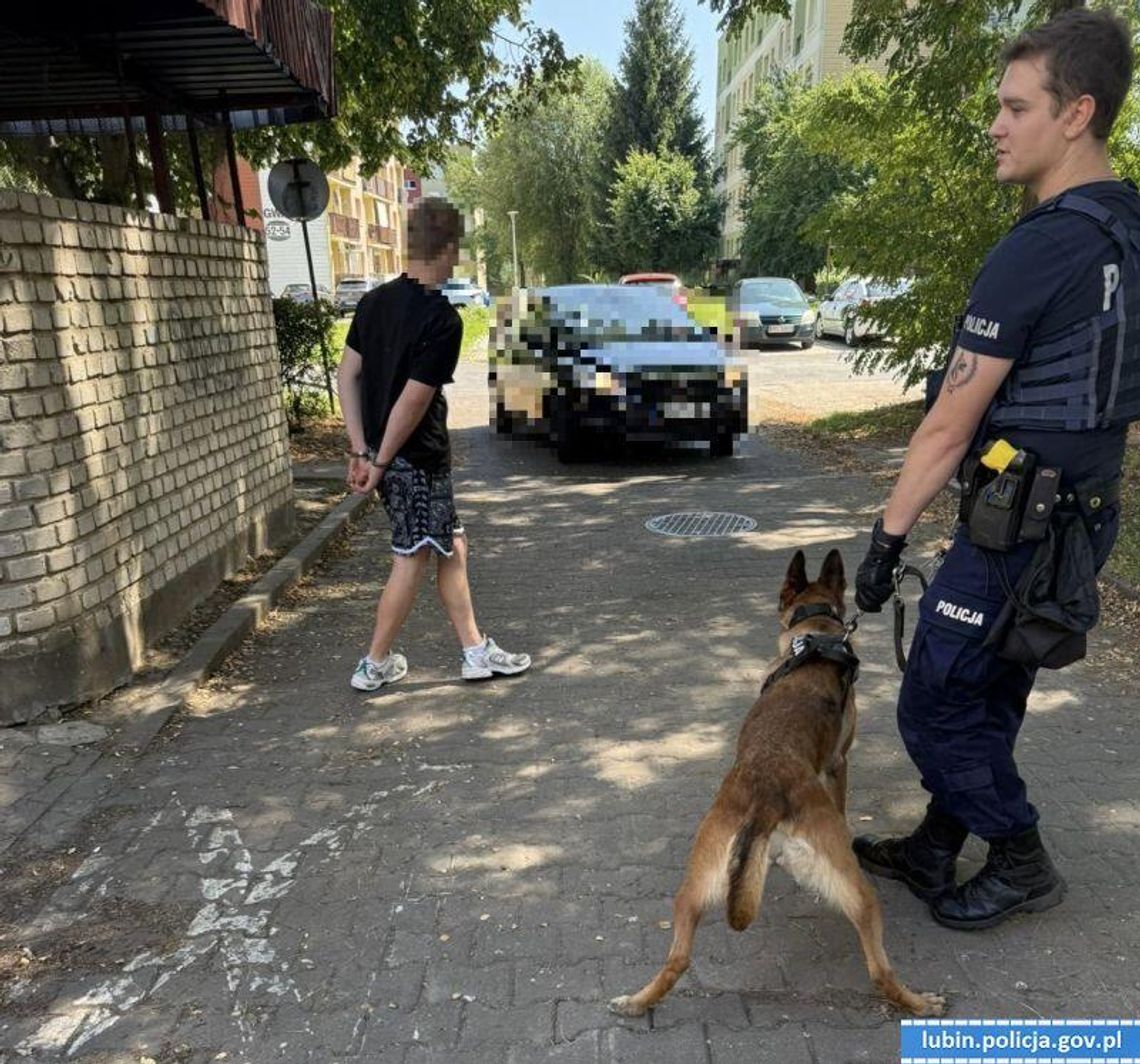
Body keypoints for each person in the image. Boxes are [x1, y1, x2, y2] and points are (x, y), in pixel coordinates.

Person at [852, 9, 1139, 931]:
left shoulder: (1043, 244)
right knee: (994, 684)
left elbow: (948, 423)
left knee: (936, 700)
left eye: (1017, 108)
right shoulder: (1129, 228)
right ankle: (939, 841)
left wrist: (886, 542)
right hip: (1083, 516)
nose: (995, 125)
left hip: (1019, 526)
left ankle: (1020, 857)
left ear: (1077, 114)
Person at [336, 197, 530, 691]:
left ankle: (474, 650)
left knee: (452, 545)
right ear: (446, 250)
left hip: (391, 456)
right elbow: (413, 400)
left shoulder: (373, 304)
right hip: (413, 460)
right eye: (455, 252)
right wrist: (379, 462)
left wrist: (360, 450)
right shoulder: (442, 319)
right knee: (412, 556)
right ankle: (374, 663)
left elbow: (347, 375)